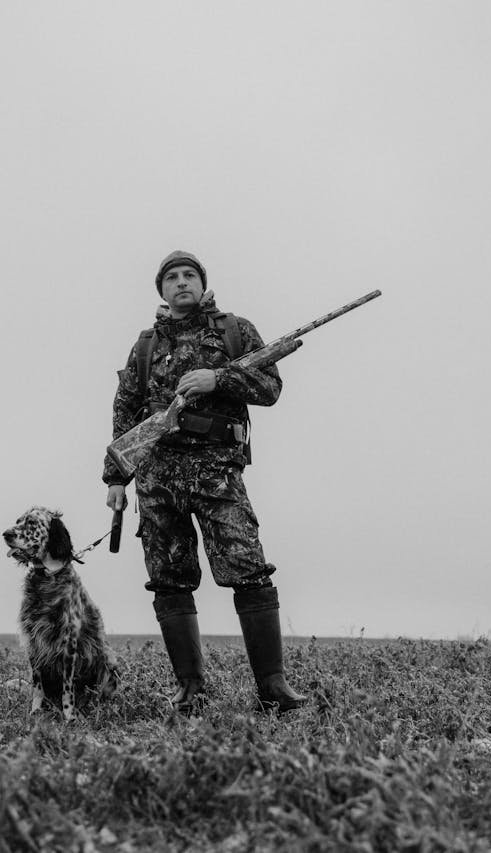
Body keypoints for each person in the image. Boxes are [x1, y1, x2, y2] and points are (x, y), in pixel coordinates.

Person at [103, 250, 308, 714]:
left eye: (189, 275)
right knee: (170, 581)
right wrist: (116, 476)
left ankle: (273, 687)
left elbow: (270, 390)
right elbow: (125, 409)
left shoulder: (235, 331)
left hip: (218, 473)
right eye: (171, 277)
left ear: (202, 283)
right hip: (157, 478)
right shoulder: (144, 346)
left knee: (249, 569)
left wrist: (219, 378)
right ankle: (190, 688)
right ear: (162, 290)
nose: (181, 283)